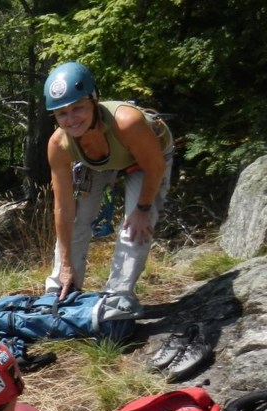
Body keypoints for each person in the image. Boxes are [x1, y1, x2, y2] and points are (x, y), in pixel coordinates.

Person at [43, 61, 174, 306]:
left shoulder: (127, 122)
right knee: (77, 219)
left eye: (78, 108)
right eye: (62, 113)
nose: (71, 119)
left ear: (93, 101)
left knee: (134, 226)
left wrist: (143, 209)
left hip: (146, 158)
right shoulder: (59, 145)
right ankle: (61, 287)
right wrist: (67, 266)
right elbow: (63, 210)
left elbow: (154, 167)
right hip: (96, 160)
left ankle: (117, 295)